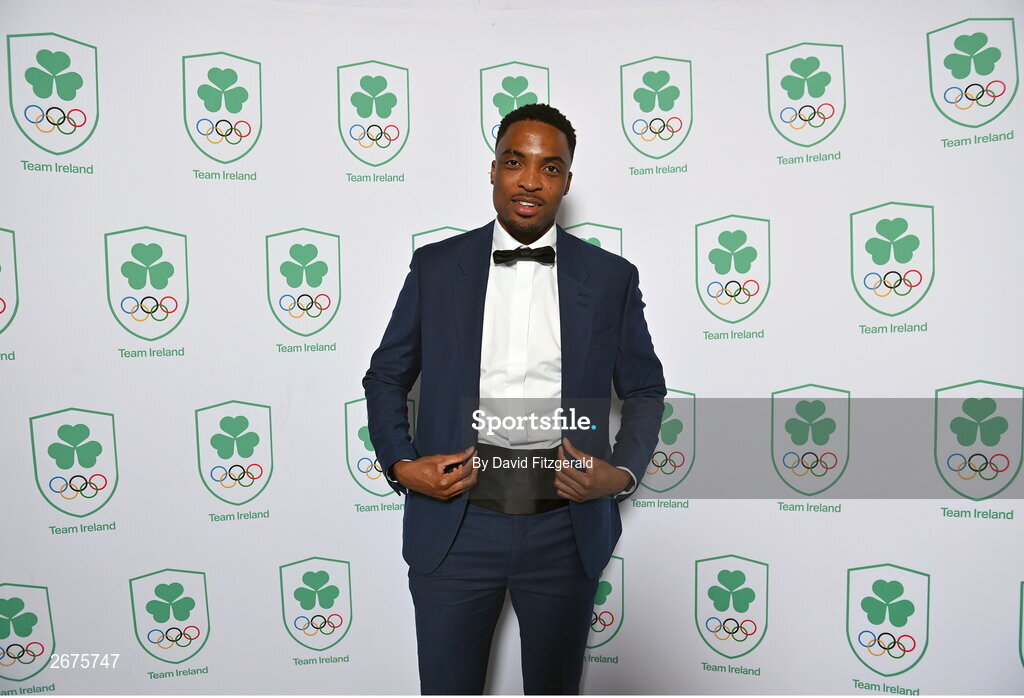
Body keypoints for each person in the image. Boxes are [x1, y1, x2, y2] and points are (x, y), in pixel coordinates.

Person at [363, 103, 665, 694]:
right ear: (494, 171)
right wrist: (401, 465)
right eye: (514, 163)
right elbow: (385, 377)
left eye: (550, 168)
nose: (530, 181)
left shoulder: (611, 278)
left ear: (567, 182)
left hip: (565, 524)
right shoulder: (436, 267)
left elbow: (646, 388)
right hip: (456, 524)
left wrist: (622, 473)